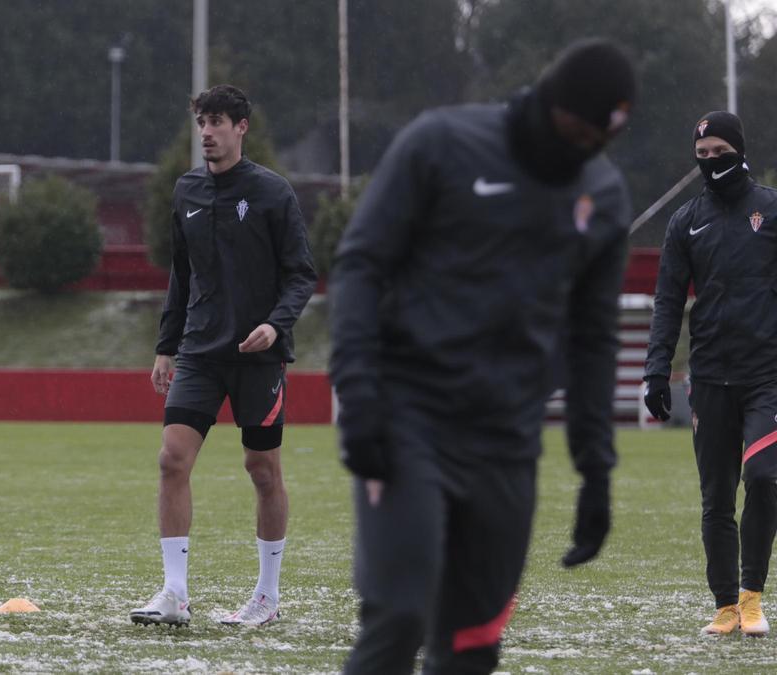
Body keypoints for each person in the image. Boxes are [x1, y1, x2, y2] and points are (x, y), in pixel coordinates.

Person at [329, 39, 635, 673]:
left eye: (596, 142)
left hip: (506, 440)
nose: (579, 151)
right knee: (400, 615)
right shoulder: (441, 143)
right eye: (574, 131)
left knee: (473, 647)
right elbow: (361, 264)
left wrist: (596, 467)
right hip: (408, 415)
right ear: (549, 103)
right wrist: (357, 394)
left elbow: (593, 338)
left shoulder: (601, 196)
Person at [128, 85, 317, 628]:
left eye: (217, 122)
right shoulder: (186, 190)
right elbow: (181, 276)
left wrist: (273, 325)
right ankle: (175, 593)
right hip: (199, 353)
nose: (206, 132)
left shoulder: (273, 193)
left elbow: (301, 274)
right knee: (172, 459)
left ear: (241, 128)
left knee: (262, 469)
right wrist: (167, 345)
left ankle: (267, 597)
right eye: (201, 122)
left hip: (258, 357)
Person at [643, 111, 777, 637]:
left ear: (739, 151)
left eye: (718, 153)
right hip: (709, 377)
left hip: (766, 374)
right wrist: (656, 371)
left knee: (765, 479)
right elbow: (668, 301)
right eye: (701, 157)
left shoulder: (771, 210)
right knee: (716, 498)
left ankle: (752, 597)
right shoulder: (685, 222)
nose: (710, 164)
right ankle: (724, 607)